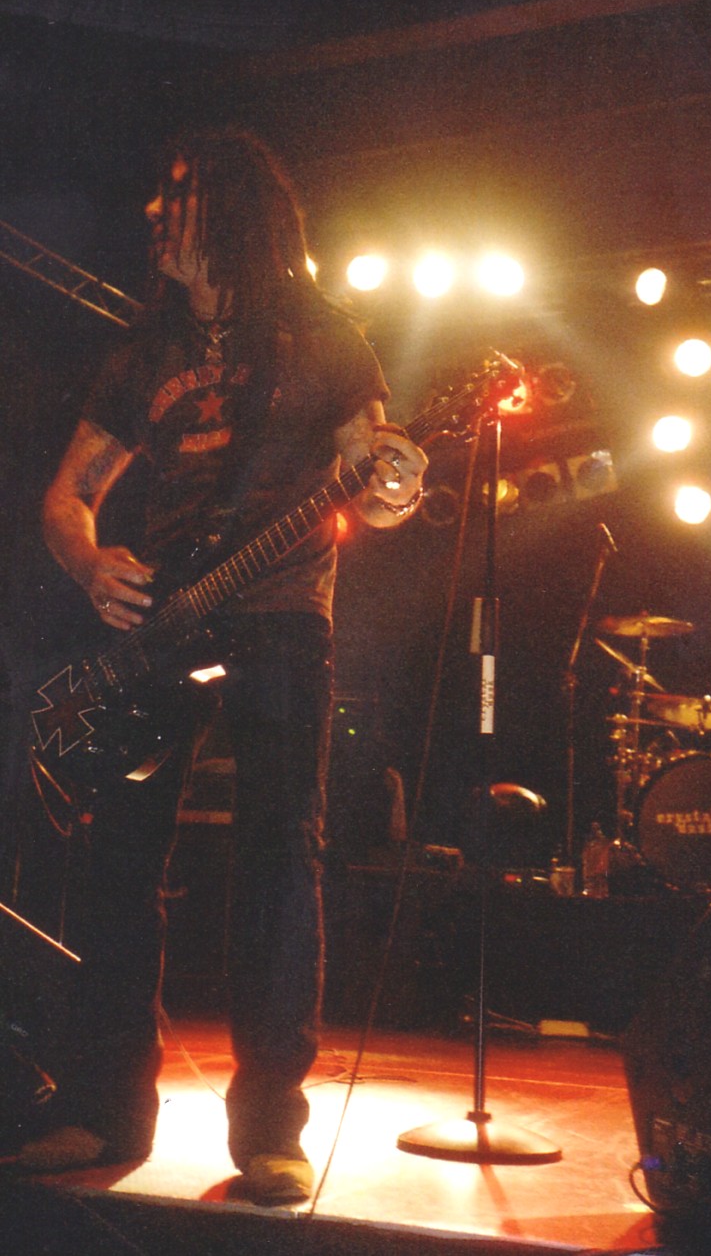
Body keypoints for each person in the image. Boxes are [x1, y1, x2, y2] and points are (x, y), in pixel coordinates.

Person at [17, 127, 427, 1205]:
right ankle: (103, 1107)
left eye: (179, 194)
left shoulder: (324, 339)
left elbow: (374, 474)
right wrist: (90, 562)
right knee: (117, 863)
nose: (156, 212)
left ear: (237, 208)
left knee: (280, 859)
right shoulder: (140, 354)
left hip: (281, 619)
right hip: (158, 628)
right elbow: (66, 496)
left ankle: (271, 1133)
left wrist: (392, 485)